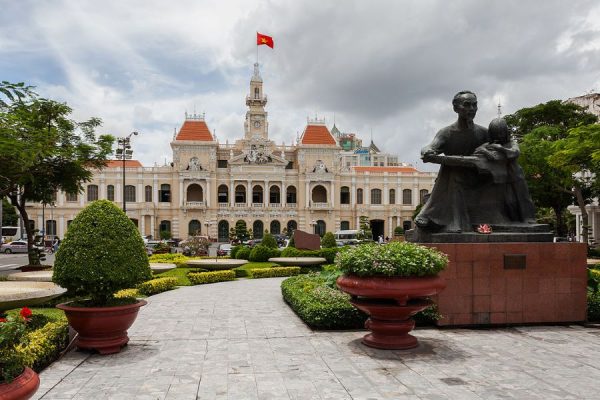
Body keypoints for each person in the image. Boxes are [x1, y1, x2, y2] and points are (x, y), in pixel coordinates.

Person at [415, 91, 489, 233]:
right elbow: (432, 146)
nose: (472, 109)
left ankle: (430, 215)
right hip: (451, 178)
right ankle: (444, 220)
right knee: (452, 171)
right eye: (467, 105)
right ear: (456, 108)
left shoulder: (483, 133)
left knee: (453, 173)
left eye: (474, 105)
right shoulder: (447, 132)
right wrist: (427, 151)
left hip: (479, 177)